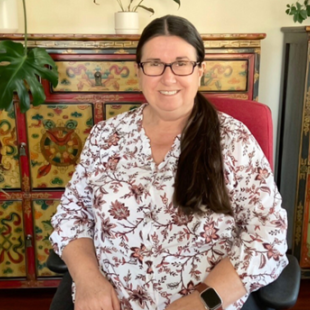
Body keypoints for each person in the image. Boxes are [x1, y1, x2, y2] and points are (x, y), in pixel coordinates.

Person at [50, 15, 288, 310]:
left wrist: (203, 300)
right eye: (154, 64)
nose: (168, 77)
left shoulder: (234, 140)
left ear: (200, 71)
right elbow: (71, 218)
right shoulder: (105, 136)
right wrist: (87, 280)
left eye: (181, 63)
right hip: (105, 301)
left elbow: (268, 237)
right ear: (139, 72)